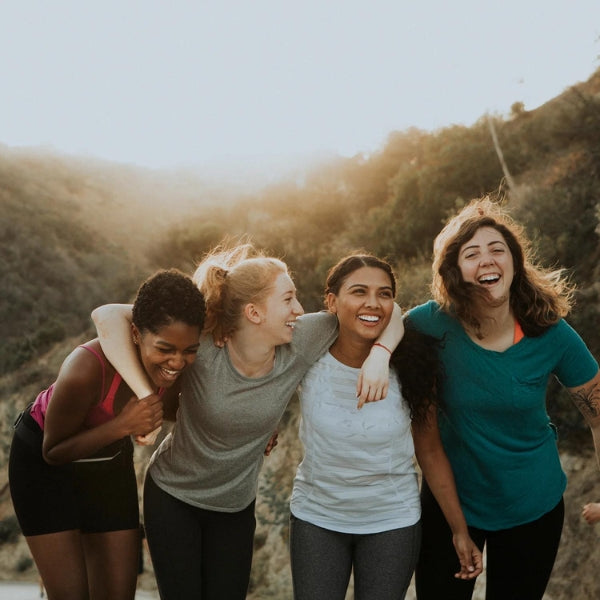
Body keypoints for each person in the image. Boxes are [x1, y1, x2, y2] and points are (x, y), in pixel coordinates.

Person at [90, 243, 402, 600]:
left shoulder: (302, 339)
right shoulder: (203, 344)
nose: (299, 310)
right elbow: (107, 316)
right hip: (173, 497)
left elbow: (385, 312)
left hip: (235, 507)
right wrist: (147, 396)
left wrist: (380, 355)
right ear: (254, 312)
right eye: (288, 300)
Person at [406, 198, 600, 600]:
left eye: (498, 249)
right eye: (471, 253)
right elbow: (383, 321)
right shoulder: (430, 323)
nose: (487, 260)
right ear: (455, 270)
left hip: (533, 503)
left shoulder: (551, 332)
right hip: (451, 500)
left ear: (514, 261)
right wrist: (375, 357)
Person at [289, 254, 482, 600]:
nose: (373, 304)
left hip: (391, 521)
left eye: (384, 294)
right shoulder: (308, 353)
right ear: (332, 301)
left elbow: (430, 450)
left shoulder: (413, 366)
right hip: (316, 516)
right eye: (359, 292)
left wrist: (459, 529)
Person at [9, 269, 205, 600]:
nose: (177, 361)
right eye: (165, 348)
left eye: (189, 350)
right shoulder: (86, 368)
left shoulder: (176, 371)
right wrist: (122, 426)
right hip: (43, 467)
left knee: (118, 594)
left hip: (108, 463)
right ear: (135, 334)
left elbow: (192, 410)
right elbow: (53, 451)